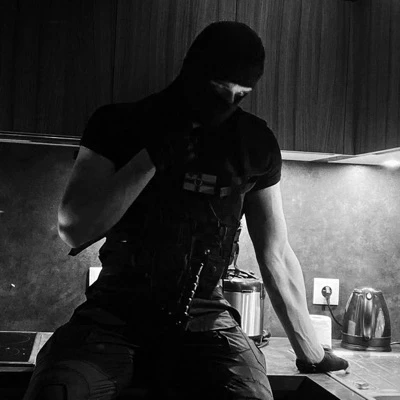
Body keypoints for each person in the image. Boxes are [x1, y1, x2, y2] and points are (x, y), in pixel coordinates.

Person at [23, 21, 348, 400]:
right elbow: (74, 228)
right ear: (192, 73)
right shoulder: (119, 123)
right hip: (111, 317)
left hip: (207, 321)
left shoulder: (253, 141)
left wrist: (310, 352)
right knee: (59, 390)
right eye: (218, 89)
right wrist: (152, 155)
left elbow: (275, 253)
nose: (227, 103)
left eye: (240, 94)